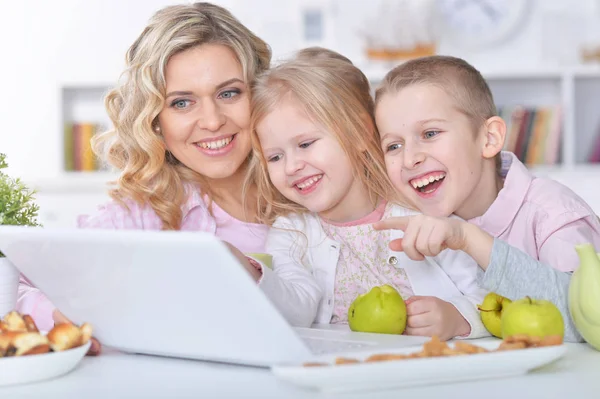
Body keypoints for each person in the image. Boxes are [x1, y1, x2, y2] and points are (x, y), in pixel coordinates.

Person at [16, 2, 319, 351]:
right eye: (181, 103)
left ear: (259, 94)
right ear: (155, 120)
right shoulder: (143, 217)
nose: (211, 120)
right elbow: (16, 284)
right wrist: (56, 313)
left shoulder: (310, 192)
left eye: (229, 93)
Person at [247, 48, 490, 341]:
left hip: (428, 371)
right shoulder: (292, 233)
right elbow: (297, 309)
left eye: (306, 144)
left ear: (360, 133)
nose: (292, 166)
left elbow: (491, 297)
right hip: (340, 374)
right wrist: (252, 274)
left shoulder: (420, 212)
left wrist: (458, 318)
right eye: (274, 157)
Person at [373, 55, 600, 342]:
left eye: (430, 133)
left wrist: (469, 239)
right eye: (393, 145)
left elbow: (582, 323)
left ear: (489, 138)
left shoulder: (554, 214)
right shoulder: (413, 221)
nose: (409, 158)